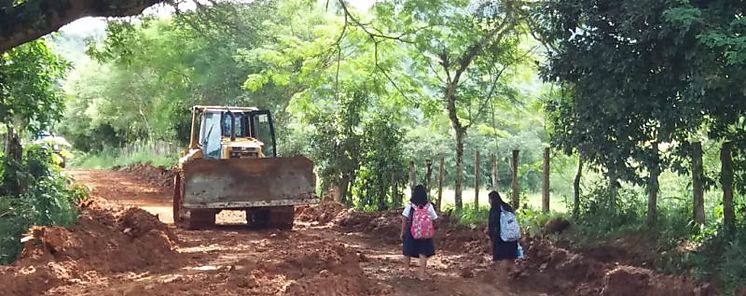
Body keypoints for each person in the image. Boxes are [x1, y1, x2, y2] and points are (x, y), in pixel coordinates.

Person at [401, 184, 438, 280]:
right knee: (423, 253)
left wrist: (403, 232)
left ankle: (406, 272)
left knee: (407, 252)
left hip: (411, 231)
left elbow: (404, 218)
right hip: (425, 233)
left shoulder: (410, 205)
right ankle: (421, 275)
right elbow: (435, 218)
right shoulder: (428, 206)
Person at [488, 190, 518, 265]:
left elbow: (492, 225)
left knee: (501, 260)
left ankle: (503, 276)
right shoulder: (507, 207)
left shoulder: (494, 209)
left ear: (491, 199)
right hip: (512, 237)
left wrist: (491, 238)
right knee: (511, 259)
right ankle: (514, 273)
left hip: (500, 239)